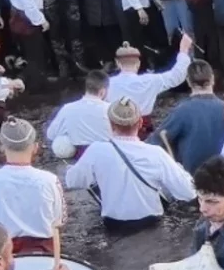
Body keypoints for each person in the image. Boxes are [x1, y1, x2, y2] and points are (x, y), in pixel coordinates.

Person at [65, 98, 199, 230]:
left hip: (112, 224)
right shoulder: (156, 154)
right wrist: (181, 171)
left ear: (111, 124)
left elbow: (73, 182)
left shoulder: (96, 150)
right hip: (152, 224)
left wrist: (71, 169)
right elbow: (188, 192)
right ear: (140, 123)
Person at [0, 118, 67, 255]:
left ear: (1, 146)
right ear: (35, 147)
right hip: (44, 253)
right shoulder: (51, 180)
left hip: (4, 254)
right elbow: (60, 220)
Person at [158, 59, 224, 171]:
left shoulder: (182, 110)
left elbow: (159, 140)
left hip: (193, 178)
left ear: (188, 81)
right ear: (212, 78)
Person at [107, 33, 196, 120]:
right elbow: (176, 76)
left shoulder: (107, 84)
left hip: (115, 128)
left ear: (118, 63)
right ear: (138, 63)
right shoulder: (150, 80)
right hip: (142, 129)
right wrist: (183, 51)